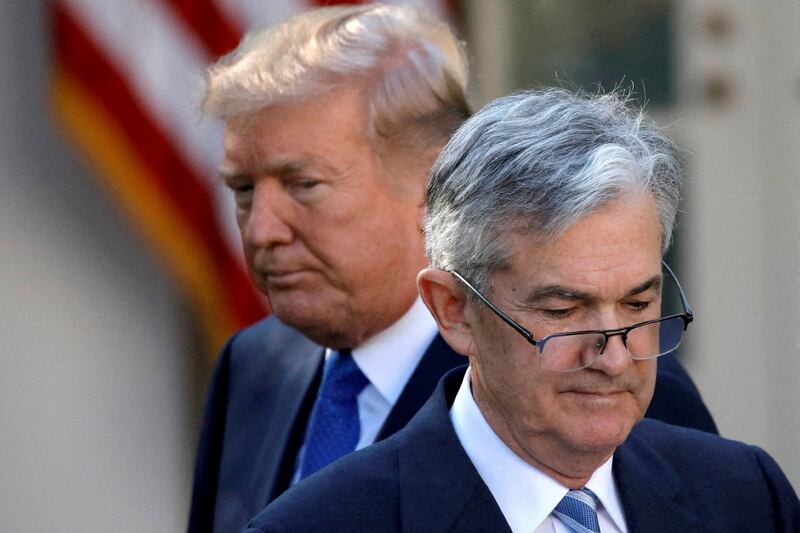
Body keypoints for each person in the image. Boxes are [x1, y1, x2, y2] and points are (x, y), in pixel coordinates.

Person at [189, 5, 715, 531]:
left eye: (303, 184)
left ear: (435, 181)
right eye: (243, 189)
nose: (261, 230)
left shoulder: (606, 380)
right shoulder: (254, 365)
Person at [245, 88, 799, 533]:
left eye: (638, 303)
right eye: (563, 310)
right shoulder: (321, 523)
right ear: (453, 310)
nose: (614, 357)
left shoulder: (747, 495)